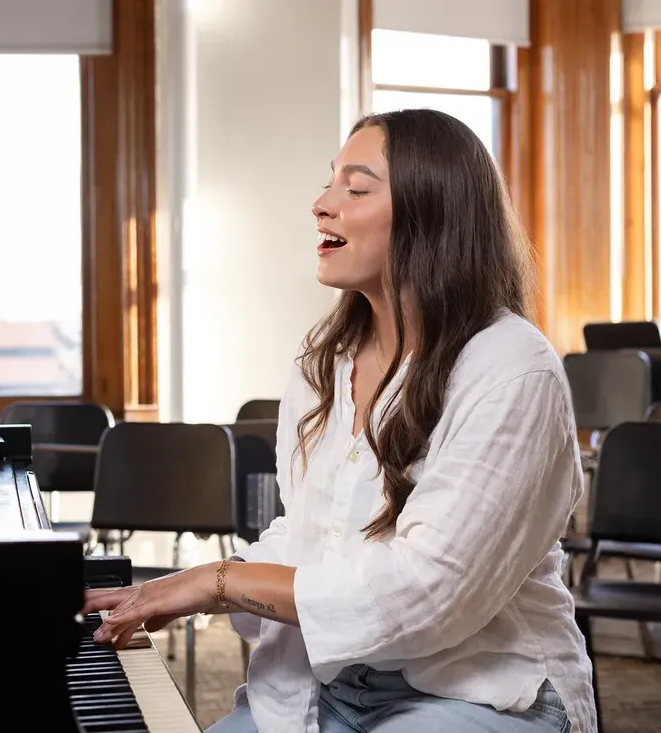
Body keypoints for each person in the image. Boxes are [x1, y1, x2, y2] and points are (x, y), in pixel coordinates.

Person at [82, 108, 597, 733]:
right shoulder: (320, 364)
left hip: (480, 692)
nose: (322, 205)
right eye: (331, 183)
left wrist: (219, 582)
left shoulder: (512, 366)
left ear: (431, 212)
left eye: (355, 188)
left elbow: (430, 592)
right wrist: (180, 587)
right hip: (327, 687)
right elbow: (307, 538)